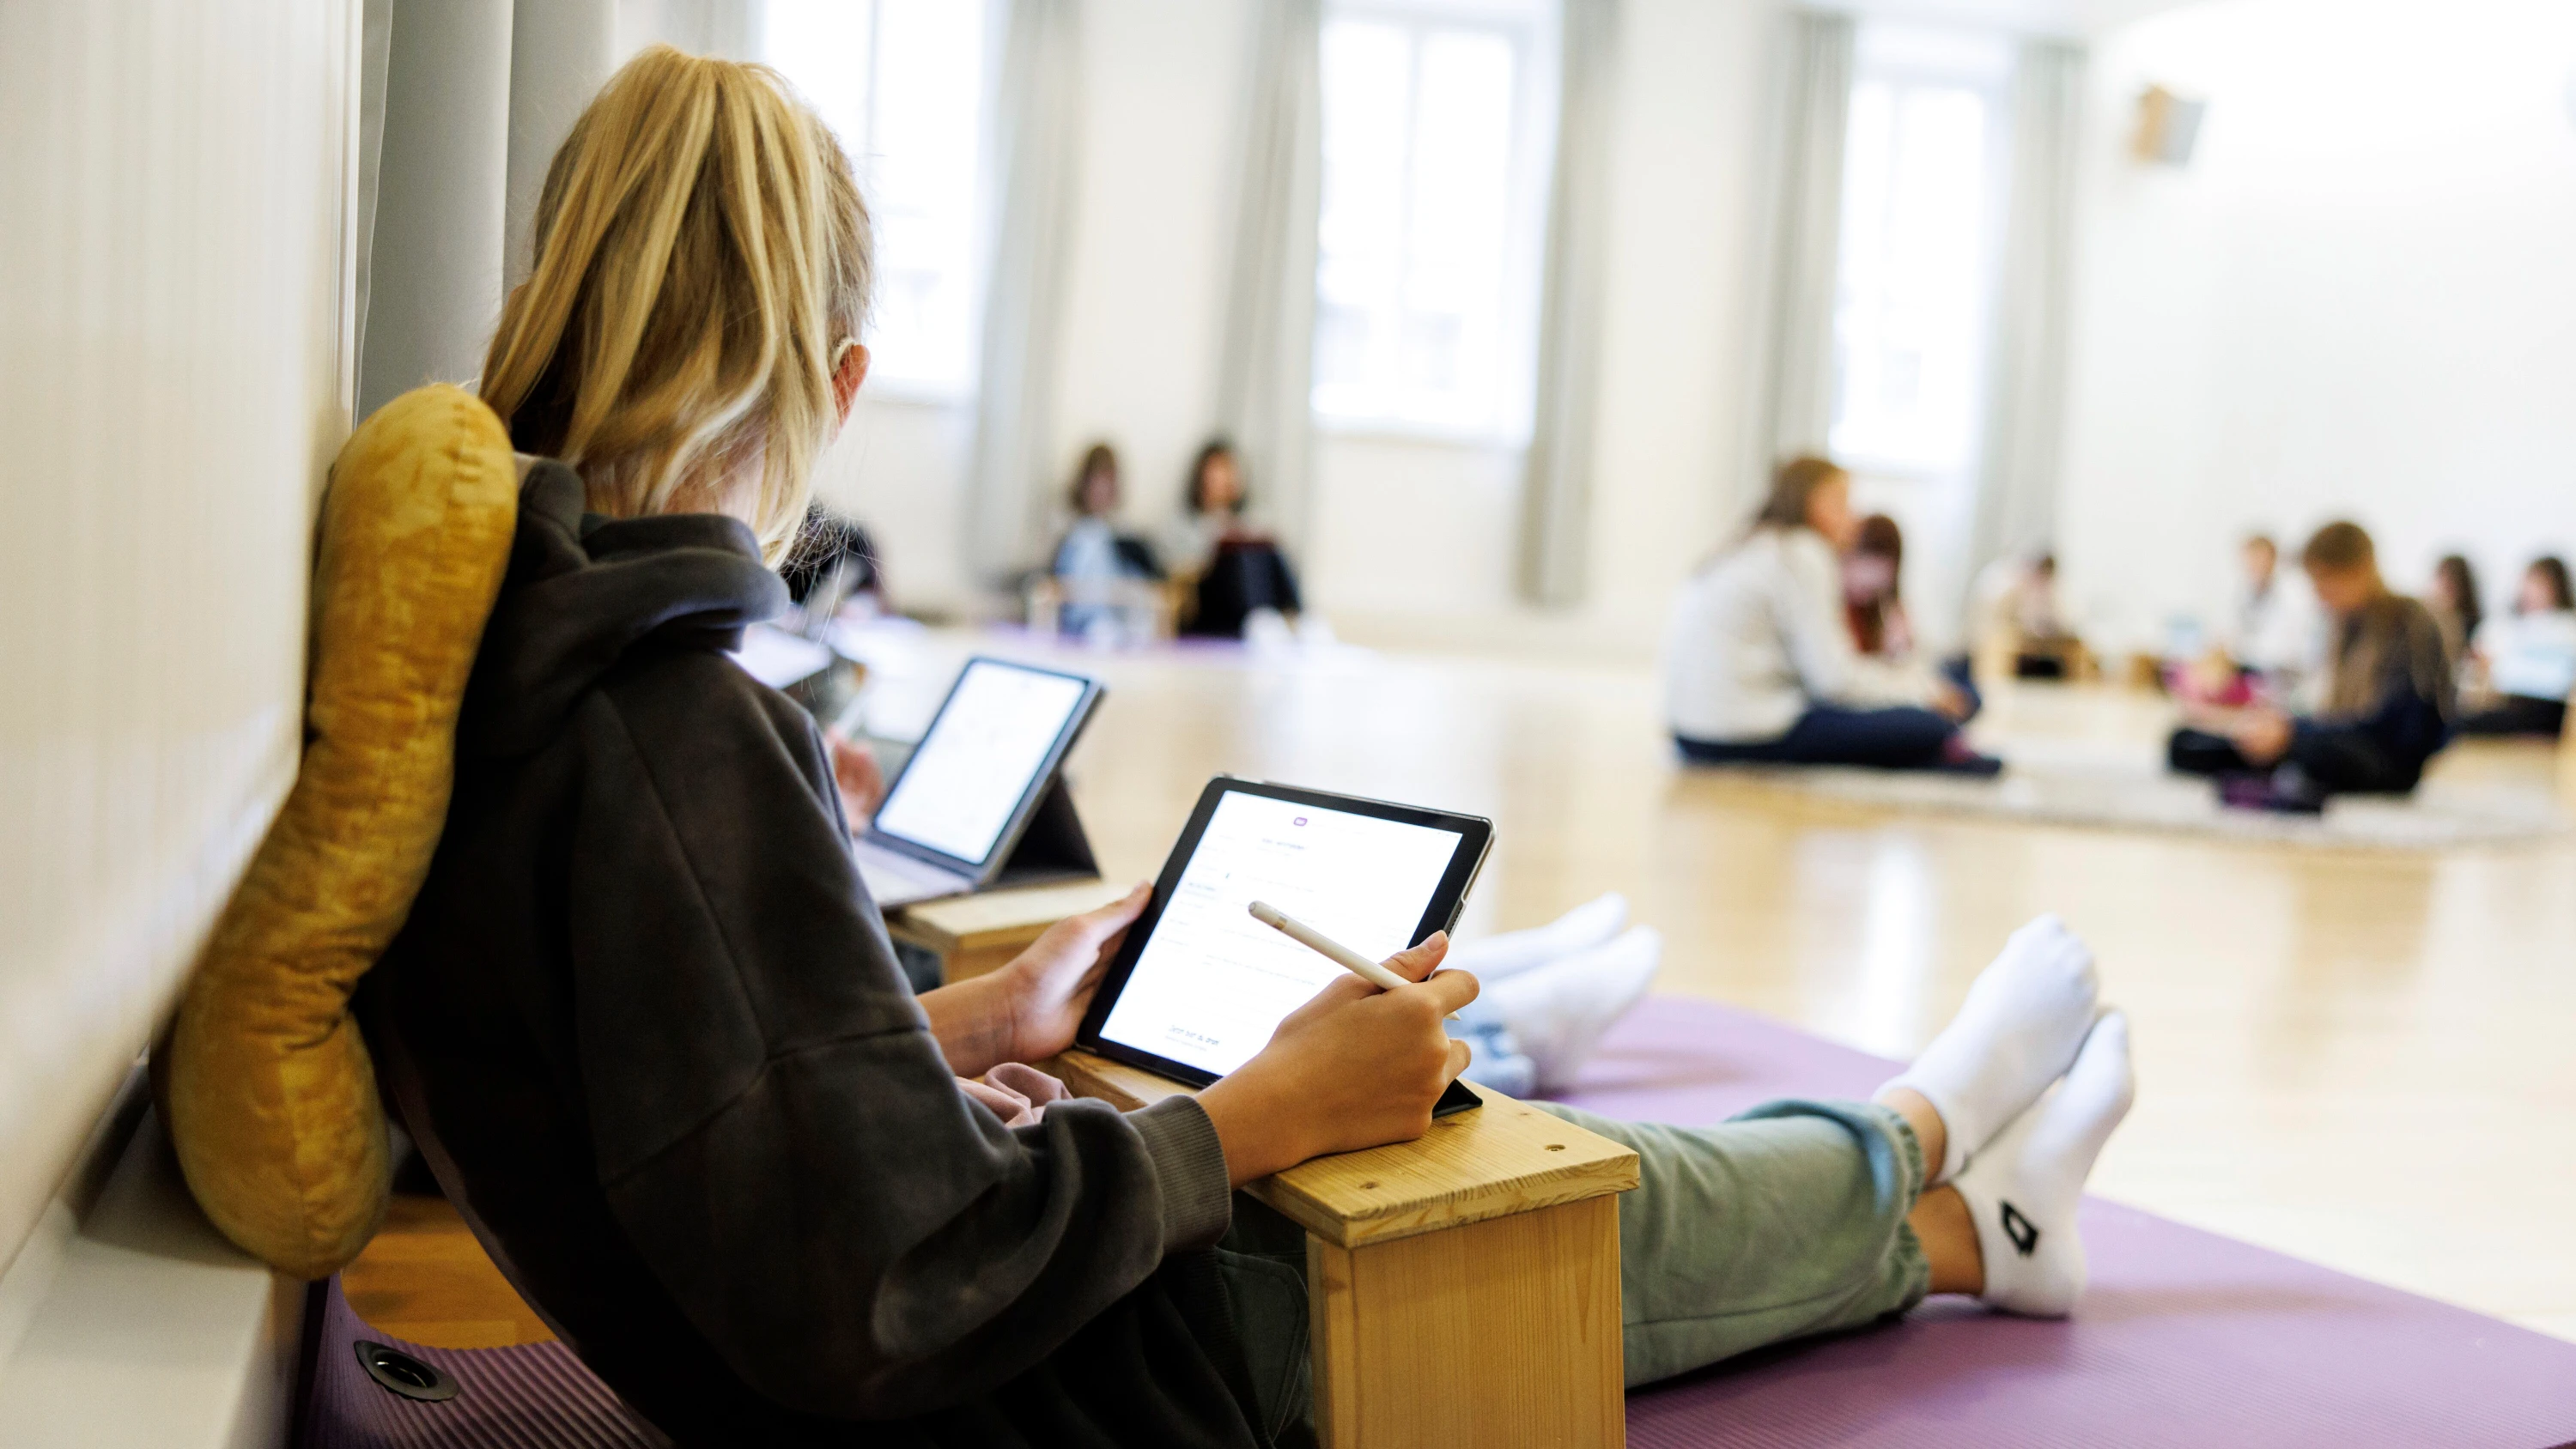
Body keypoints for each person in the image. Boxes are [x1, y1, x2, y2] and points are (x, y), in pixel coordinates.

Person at [363, 50, 2136, 1446]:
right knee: (1525, 1184)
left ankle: (1967, 1228)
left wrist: (967, 1035)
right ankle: (1914, 1136)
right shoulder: (675, 721)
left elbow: (720, 1118)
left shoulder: (507, 667)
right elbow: (890, 1288)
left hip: (880, 1356)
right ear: (835, 382)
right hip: (1059, 1393)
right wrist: (1259, 1114)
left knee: (1385, 1103)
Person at [1667, 457, 1996, 773]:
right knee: (1929, 724)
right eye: (1844, 502)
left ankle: (1934, 749)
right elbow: (1835, 683)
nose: (1852, 518)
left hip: (1689, 732)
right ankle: (1940, 753)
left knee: (1934, 704)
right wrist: (1922, 692)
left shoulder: (1751, 547)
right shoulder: (1803, 551)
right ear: (1818, 503)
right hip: (1741, 734)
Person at [2168, 521, 2454, 801]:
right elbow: (2323, 714)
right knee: (2187, 742)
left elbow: (2393, 729)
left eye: (2325, 581)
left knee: (2306, 751)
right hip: (2334, 741)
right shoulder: (2344, 625)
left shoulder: (2409, 623)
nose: (2320, 595)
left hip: (2385, 760)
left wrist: (2293, 733)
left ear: (2360, 570)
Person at [1164, 438, 1303, 640]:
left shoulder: (1250, 518)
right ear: (1202, 477)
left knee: (1268, 550)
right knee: (1236, 554)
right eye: (1217, 472)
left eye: (1229, 471)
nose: (1224, 479)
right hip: (1211, 602)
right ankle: (1258, 621)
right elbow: (1177, 568)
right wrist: (1217, 537)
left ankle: (1300, 618)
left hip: (1254, 603)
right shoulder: (1184, 523)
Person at [1048, 442, 1163, 641]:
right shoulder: (1074, 539)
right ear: (1083, 485)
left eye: (1107, 483)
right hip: (1085, 626)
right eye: (1096, 482)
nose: (1101, 491)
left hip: (1124, 625)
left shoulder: (1128, 540)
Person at [2458, 555, 2576, 737]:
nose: (2531, 591)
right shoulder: (2507, 626)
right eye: (2529, 582)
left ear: (2556, 587)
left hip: (2549, 707)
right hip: (2506, 701)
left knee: (2462, 726)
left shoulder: (2566, 626)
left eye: (2539, 584)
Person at [2427, 553, 2483, 677]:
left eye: (2451, 584)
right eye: (2442, 580)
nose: (2445, 587)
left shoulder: (2474, 628)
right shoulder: (2423, 623)